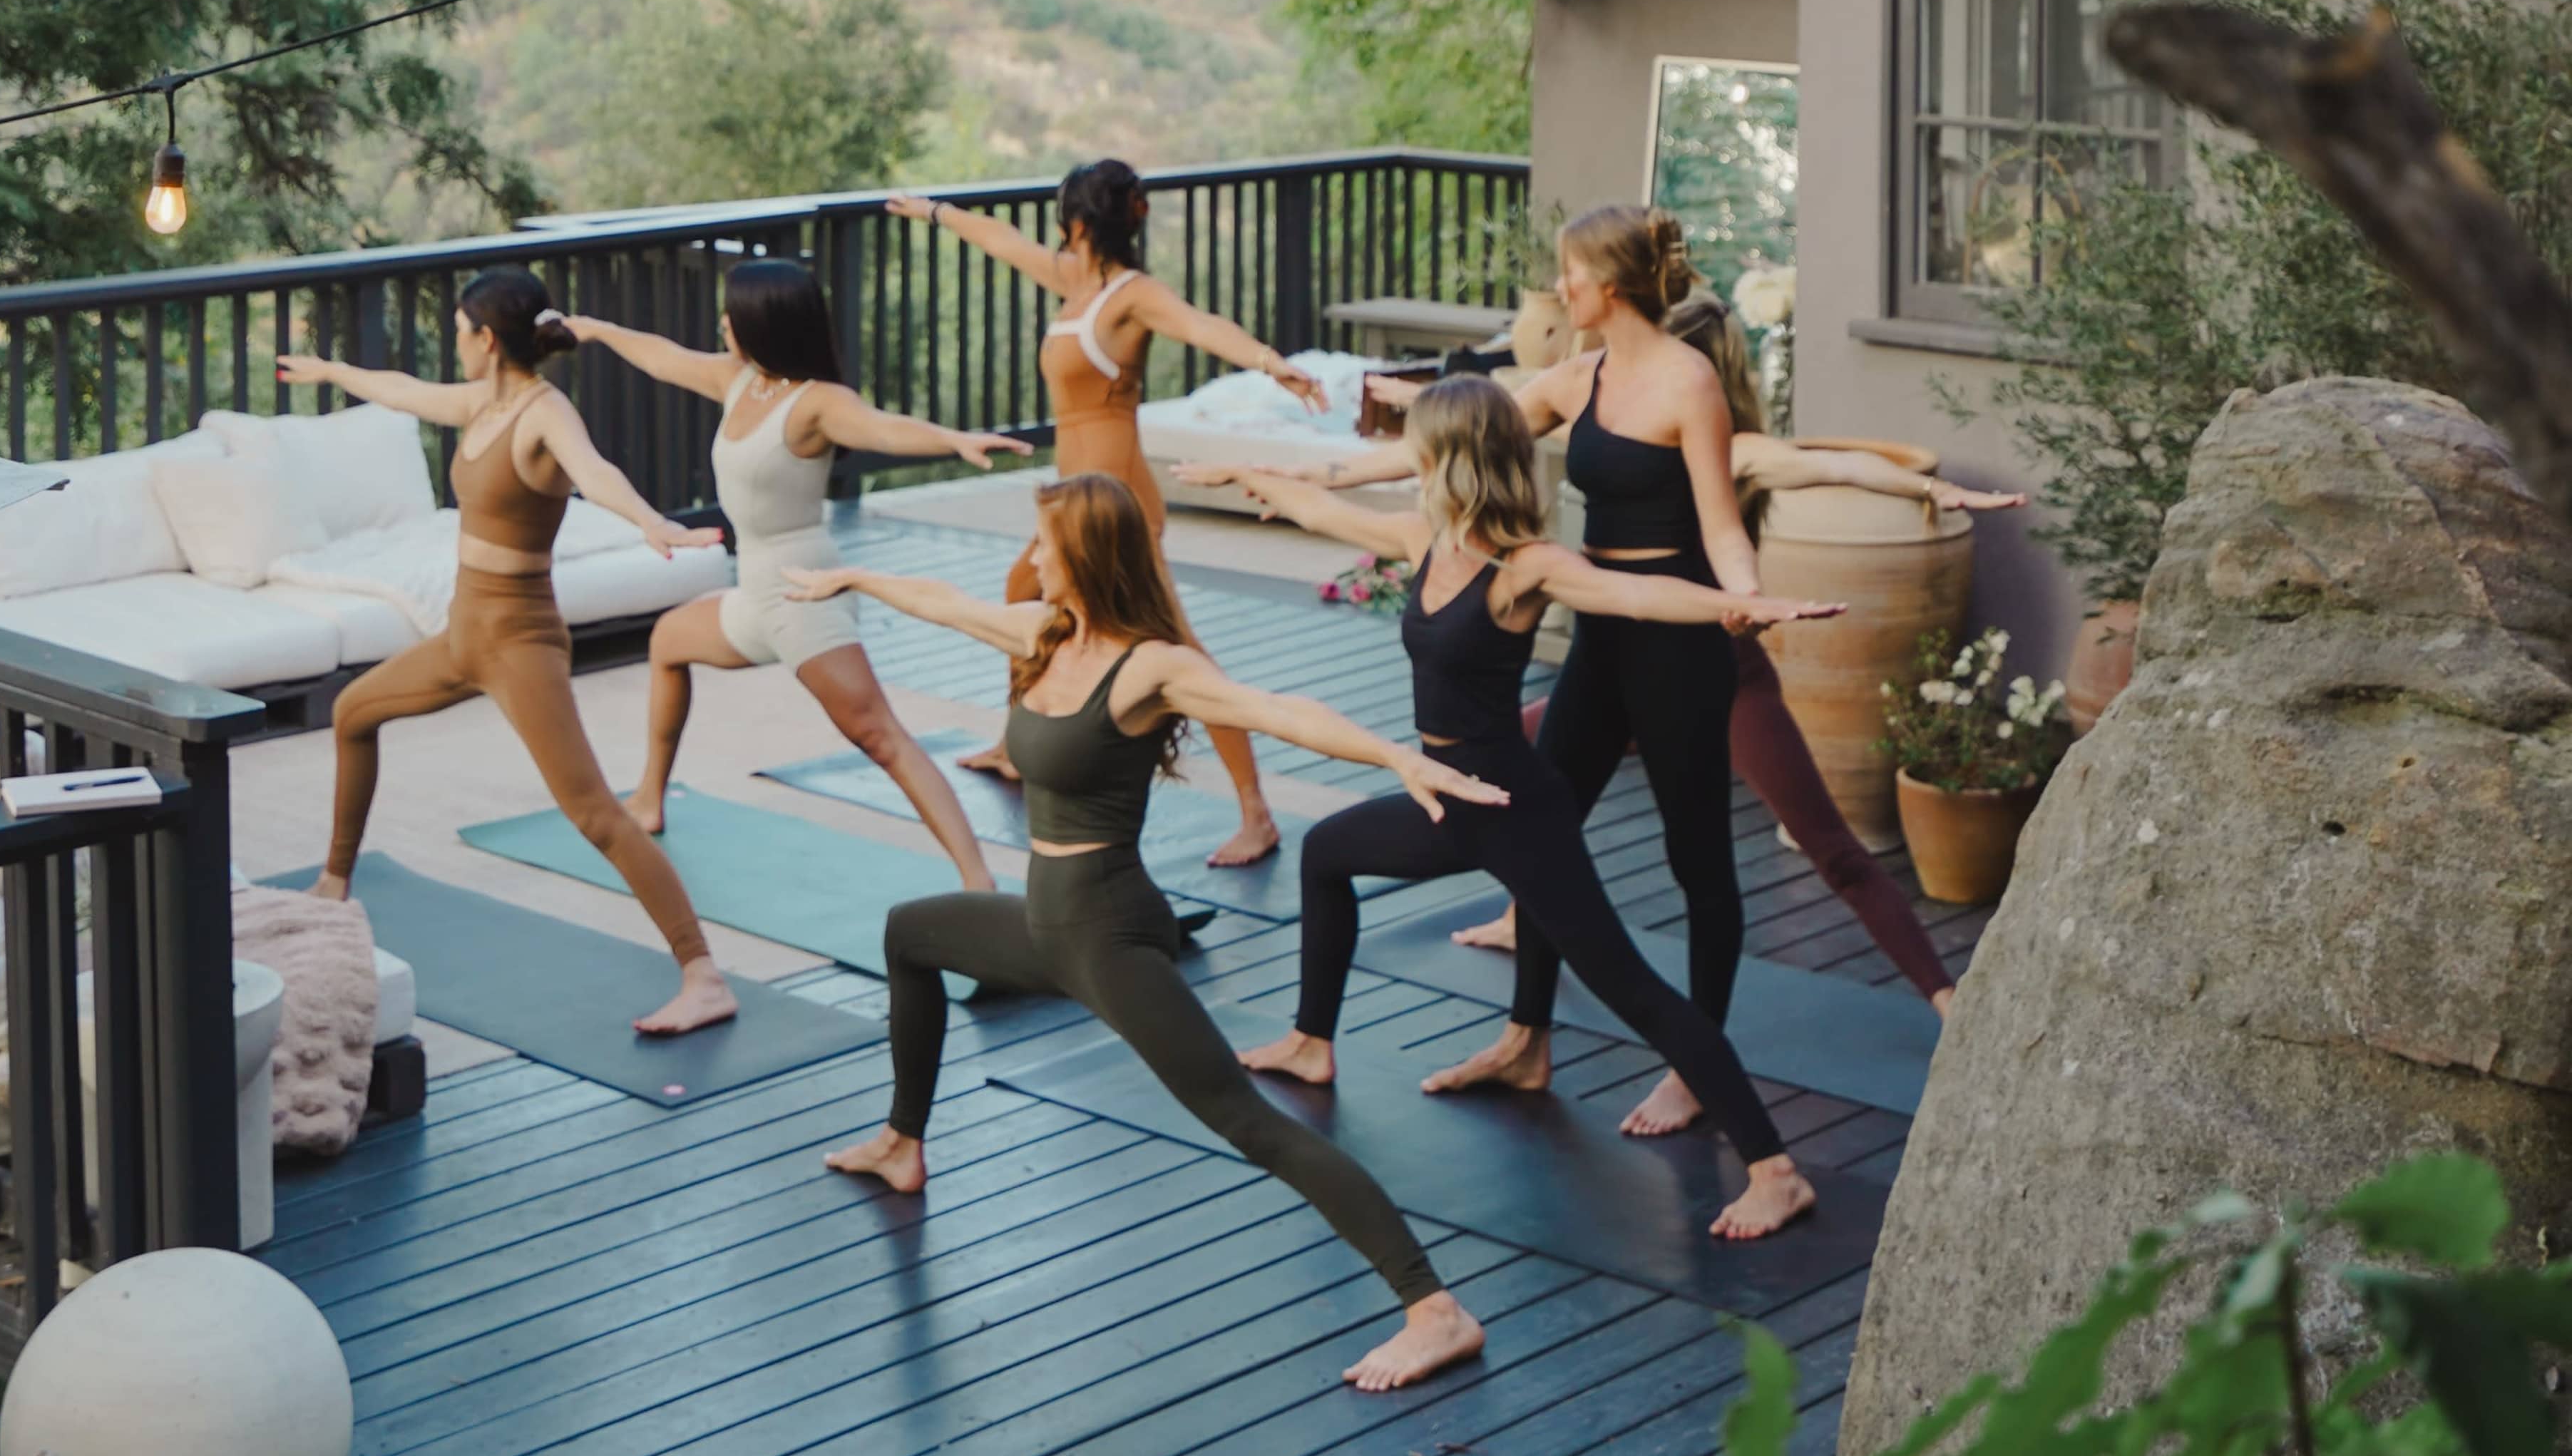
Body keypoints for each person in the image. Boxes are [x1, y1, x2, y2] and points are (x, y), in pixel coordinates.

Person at [786, 471, 1498, 1391]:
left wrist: (1400, 757)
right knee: (911, 934)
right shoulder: (1049, 632)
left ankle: (1434, 1307)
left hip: (1108, 936)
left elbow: (1278, 711)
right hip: (1050, 925)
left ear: (1084, 554)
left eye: (1045, 543)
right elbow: (942, 604)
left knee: (1250, 1123)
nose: (1032, 557)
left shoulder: (1151, 666)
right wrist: (850, 585)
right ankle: (901, 1142)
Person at [1177, 378, 1838, 1240]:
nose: (1409, 460)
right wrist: (1248, 477)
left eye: (1421, 447)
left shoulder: (1523, 566)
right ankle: (1312, 1040)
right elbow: (1322, 514)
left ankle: (1774, 1170)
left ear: (1456, 458)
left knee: (1636, 991)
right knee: (1326, 853)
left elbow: (1636, 596)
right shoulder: (1426, 538)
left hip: (1517, 810)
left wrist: (1740, 606)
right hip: (1446, 798)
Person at [1351, 282, 2030, 1102]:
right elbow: (1480, 424)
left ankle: (1944, 1004)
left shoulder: (1723, 447)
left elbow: (1824, 463)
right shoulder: (1598, 421)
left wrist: (1928, 490)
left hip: (1706, 676)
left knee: (1817, 847)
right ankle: (1525, 1036)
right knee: (1533, 809)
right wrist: (1381, 428)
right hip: (1607, 666)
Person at [285, 276, 735, 1036]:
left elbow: (596, 474)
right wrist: (332, 374)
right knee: (353, 712)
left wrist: (653, 524)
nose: (453, 345)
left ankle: (703, 973)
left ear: (486, 339)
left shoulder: (543, 413)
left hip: (520, 642)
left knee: (594, 814)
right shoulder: (479, 404)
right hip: (463, 635)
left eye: (459, 331)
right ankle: (335, 882)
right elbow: (401, 391)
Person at [888, 162, 1323, 866]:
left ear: (1079, 223)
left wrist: (1273, 363)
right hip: (1071, 502)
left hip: (1116, 501)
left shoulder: (1131, 296)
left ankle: (1256, 812)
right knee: (1019, 593)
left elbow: (1201, 326)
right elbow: (999, 240)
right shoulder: (1072, 280)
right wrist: (935, 213)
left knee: (1179, 648)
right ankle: (1013, 743)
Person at [562, 257, 1018, 887]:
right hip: (753, 593)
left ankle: (977, 877)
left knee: (880, 737)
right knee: (668, 641)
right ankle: (648, 799)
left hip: (806, 592)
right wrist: (600, 330)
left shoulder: (817, 403)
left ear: (766, 323)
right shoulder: (741, 379)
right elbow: (665, 357)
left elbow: (882, 428)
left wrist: (953, 439)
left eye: (734, 313)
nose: (722, 322)